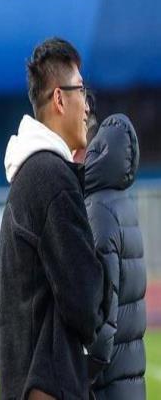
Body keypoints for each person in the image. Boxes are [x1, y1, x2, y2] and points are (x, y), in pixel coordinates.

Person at [0, 37, 112, 400]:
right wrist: (108, 272)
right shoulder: (52, 178)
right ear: (60, 99)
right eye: (82, 90)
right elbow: (86, 305)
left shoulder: (33, 172)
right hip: (46, 388)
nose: (88, 105)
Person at [85, 114, 146, 399]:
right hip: (130, 380)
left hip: (107, 384)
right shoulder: (124, 205)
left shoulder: (99, 209)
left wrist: (85, 372)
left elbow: (104, 310)